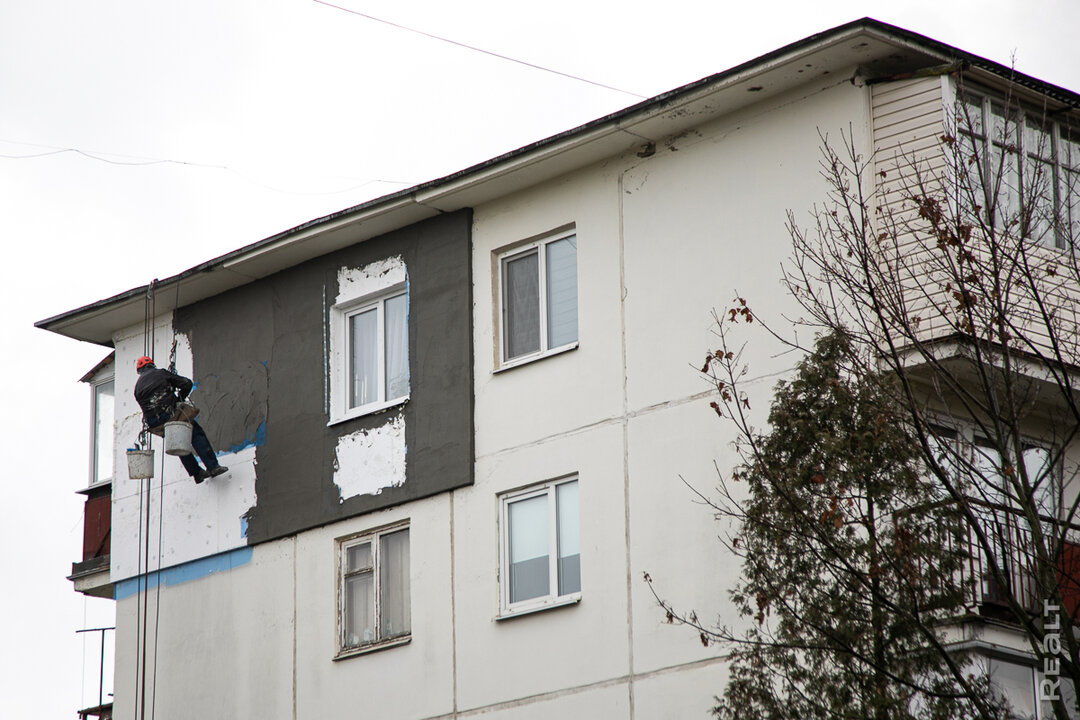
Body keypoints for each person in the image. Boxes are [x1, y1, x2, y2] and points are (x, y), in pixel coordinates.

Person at [134, 356, 228, 484]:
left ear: (140, 371)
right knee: (195, 433)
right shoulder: (160, 373)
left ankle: (196, 473)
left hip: (154, 422)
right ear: (152, 365)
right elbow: (187, 383)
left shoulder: (137, 388)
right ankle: (212, 467)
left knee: (177, 441)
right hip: (169, 413)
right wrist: (179, 399)